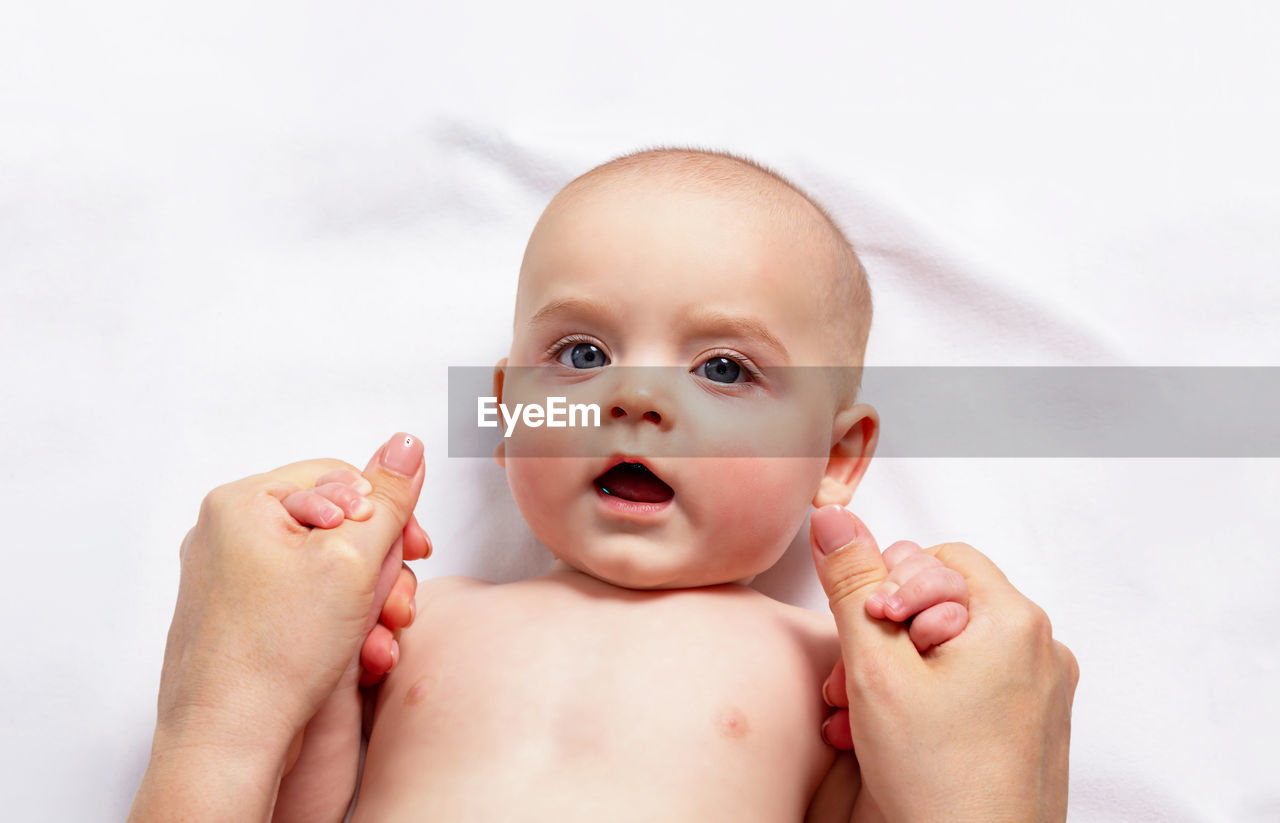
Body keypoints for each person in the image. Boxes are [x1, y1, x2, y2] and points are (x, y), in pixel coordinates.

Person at [130, 149, 1078, 822]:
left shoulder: (839, 674)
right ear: (508, 415)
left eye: (722, 369)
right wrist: (315, 664)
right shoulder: (413, 620)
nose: (634, 398)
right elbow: (302, 804)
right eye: (582, 353)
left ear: (836, 458)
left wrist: (935, 647)